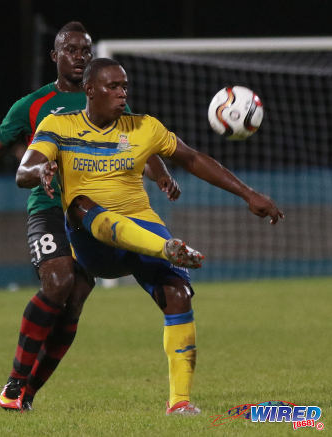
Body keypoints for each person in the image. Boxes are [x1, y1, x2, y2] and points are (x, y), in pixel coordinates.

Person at [16, 57, 284, 415]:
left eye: (124, 86)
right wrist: (42, 168)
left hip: (139, 224)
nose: (121, 93)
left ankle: (180, 404)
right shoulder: (59, 125)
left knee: (179, 294)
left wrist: (249, 193)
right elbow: (25, 169)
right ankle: (166, 249)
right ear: (90, 90)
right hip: (92, 240)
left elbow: (192, 159)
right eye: (113, 86)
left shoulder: (144, 127)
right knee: (79, 203)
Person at [0, 23, 179, 412]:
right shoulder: (33, 105)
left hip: (91, 211)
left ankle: (27, 395)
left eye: (86, 50)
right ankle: (16, 381)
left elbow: (140, 144)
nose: (80, 56)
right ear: (55, 56)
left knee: (76, 299)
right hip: (48, 209)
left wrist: (162, 173)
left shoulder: (107, 99)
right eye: (71, 50)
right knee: (59, 280)